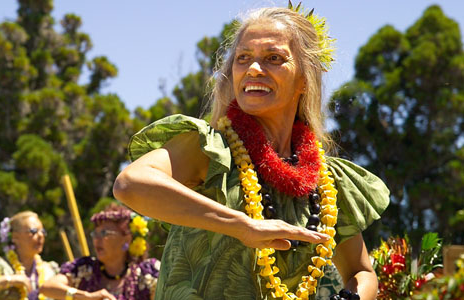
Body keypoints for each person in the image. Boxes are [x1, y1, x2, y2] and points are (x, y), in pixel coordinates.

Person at [113, 4, 389, 300]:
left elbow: (361, 272)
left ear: (304, 79)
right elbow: (132, 183)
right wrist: (243, 225)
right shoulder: (210, 148)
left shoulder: (327, 182)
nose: (254, 69)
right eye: (243, 58)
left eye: (273, 58)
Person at [40, 204, 160, 300]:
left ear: (126, 239)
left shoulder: (145, 275)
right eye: (95, 233)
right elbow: (48, 288)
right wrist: (86, 297)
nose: (97, 239)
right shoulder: (84, 269)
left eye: (104, 233)